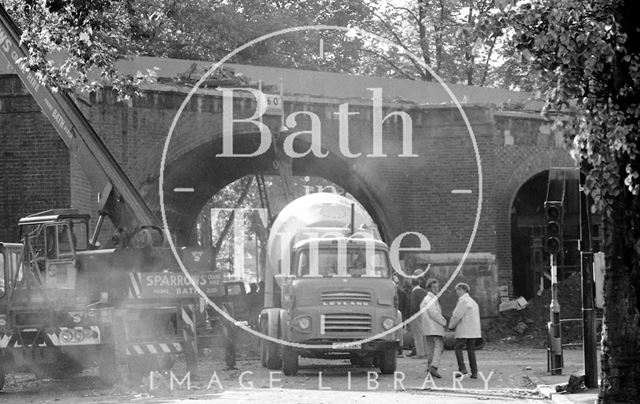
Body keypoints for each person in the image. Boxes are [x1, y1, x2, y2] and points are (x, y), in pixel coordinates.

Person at [448, 282, 482, 378]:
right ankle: (474, 372)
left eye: (459, 290)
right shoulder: (473, 302)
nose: (457, 292)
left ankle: (462, 369)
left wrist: (451, 326)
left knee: (458, 348)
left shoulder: (463, 301)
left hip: (464, 330)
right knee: (471, 350)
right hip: (473, 331)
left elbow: (457, 315)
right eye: (457, 290)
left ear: (464, 290)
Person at [420, 278, 447, 378]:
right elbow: (434, 313)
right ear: (429, 288)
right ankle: (433, 366)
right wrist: (443, 321)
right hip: (434, 327)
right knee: (439, 347)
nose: (437, 289)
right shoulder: (431, 299)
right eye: (434, 287)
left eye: (437, 287)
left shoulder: (426, 299)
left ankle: (429, 366)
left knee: (431, 347)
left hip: (428, 327)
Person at [408, 270, 427, 358]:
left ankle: (420, 354)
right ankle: (425, 352)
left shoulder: (415, 292)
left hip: (416, 315)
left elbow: (413, 306)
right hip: (424, 315)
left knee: (417, 335)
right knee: (423, 334)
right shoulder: (423, 291)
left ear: (412, 285)